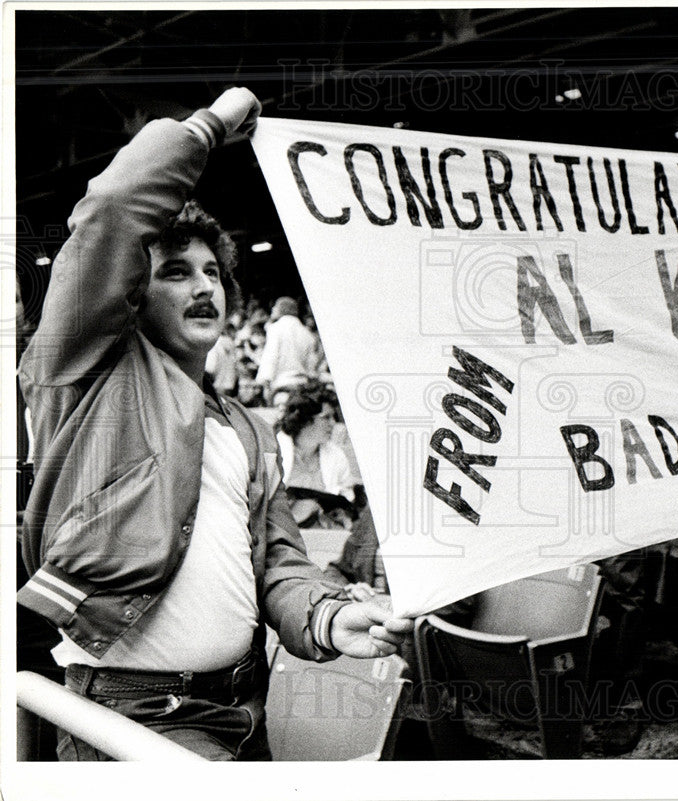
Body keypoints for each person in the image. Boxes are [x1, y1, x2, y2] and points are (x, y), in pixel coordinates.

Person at [16, 87, 412, 761]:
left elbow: (281, 562)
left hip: (242, 707)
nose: (205, 285)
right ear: (132, 300)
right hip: (137, 715)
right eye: (175, 272)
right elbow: (113, 212)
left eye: (212, 272)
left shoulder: (247, 428)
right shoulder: (82, 377)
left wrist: (329, 615)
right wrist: (208, 125)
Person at [276, 381, 360, 528]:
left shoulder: (336, 454)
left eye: (333, 417)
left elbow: (347, 497)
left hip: (322, 533)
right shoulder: (274, 448)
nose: (333, 423)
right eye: (326, 417)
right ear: (305, 419)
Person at [256, 295, 321, 405]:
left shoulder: (275, 329)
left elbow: (271, 357)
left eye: (275, 306)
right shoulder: (307, 333)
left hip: (282, 385)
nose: (272, 309)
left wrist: (265, 382)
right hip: (302, 387)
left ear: (283, 309)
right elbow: (312, 366)